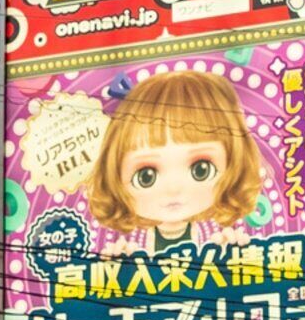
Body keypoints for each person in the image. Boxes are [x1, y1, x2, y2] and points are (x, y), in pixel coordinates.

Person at [87, 69, 271, 247]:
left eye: (201, 170)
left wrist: (229, 252)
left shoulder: (217, 236)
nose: (173, 189)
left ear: (234, 164)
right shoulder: (134, 244)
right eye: (146, 176)